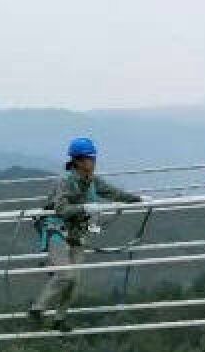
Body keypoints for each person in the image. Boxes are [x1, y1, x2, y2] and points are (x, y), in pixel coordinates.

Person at [28, 137, 144, 331]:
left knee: (75, 280)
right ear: (79, 161)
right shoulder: (66, 182)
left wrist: (138, 200)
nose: (93, 162)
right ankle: (37, 309)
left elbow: (113, 193)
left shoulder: (92, 182)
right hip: (56, 231)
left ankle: (59, 319)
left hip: (77, 233)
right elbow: (61, 208)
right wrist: (85, 208)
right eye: (90, 159)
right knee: (66, 275)